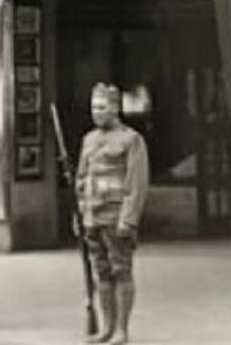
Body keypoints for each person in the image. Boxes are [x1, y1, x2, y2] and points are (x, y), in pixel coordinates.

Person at [76, 83, 149, 345]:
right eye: (93, 107)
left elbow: (136, 184)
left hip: (116, 217)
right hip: (92, 217)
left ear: (115, 108)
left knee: (121, 271)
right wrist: (81, 213)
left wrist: (129, 219)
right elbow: (81, 179)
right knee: (101, 273)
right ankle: (106, 328)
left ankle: (121, 330)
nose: (96, 112)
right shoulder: (88, 140)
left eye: (102, 107)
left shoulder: (131, 140)